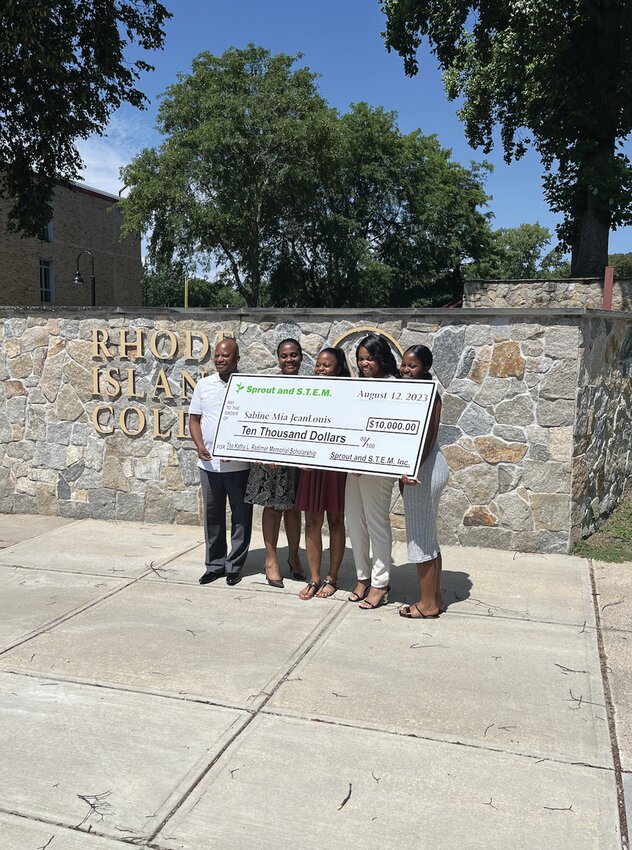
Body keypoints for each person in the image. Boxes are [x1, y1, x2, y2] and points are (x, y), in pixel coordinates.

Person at [189, 338, 253, 587]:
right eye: (217, 355)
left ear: (236, 359)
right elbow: (194, 419)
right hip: (209, 466)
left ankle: (234, 566)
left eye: (225, 356)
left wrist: (240, 448)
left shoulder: (247, 386)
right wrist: (199, 445)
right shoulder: (204, 385)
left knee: (241, 517)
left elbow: (253, 422)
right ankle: (214, 564)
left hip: (238, 468)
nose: (219, 359)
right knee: (213, 517)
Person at [346, 333, 400, 609]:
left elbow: (392, 430)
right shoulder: (358, 386)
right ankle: (362, 576)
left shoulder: (394, 387)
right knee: (354, 523)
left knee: (376, 523)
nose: (365, 363)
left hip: (377, 467)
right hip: (352, 465)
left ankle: (380, 583)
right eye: (360, 358)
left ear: (382, 358)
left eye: (370, 358)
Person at [245, 338, 304, 588]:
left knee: (294, 508)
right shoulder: (268, 384)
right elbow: (254, 417)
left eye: (293, 355)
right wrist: (259, 449)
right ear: (277, 358)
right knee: (272, 508)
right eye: (284, 355)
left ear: (301, 357)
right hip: (270, 457)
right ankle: (271, 560)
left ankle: (293, 555)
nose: (288, 360)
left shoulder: (311, 385)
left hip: (298, 458)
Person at [294, 347, 350, 600]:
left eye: (326, 365)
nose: (320, 369)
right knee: (312, 520)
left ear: (338, 368)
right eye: (318, 365)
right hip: (311, 465)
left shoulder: (350, 394)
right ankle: (314, 579)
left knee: (336, 520)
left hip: (336, 466)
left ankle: (332, 577)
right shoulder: (308, 393)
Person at [398, 344, 448, 619]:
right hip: (425, 469)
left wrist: (411, 469)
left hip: (423, 472)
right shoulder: (412, 391)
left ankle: (427, 604)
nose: (406, 370)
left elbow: (427, 437)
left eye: (412, 366)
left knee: (419, 538)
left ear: (425, 368)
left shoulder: (429, 394)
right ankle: (435, 598)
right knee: (428, 537)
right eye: (404, 364)